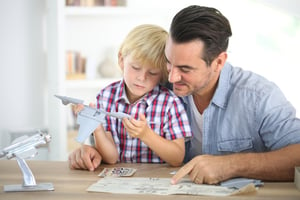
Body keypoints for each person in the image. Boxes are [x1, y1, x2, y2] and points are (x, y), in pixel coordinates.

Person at [69, 5, 300, 185]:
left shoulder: (259, 97)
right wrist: (90, 150)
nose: (170, 78)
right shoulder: (154, 83)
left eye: (185, 69)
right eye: (169, 63)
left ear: (218, 62)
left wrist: (231, 165)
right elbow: (111, 141)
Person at [71, 24, 192, 168]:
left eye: (152, 73)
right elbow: (111, 158)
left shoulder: (170, 103)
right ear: (121, 60)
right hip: (119, 180)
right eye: (135, 68)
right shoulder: (106, 97)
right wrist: (96, 127)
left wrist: (146, 134)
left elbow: (177, 158)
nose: (142, 78)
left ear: (163, 73)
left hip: (157, 181)